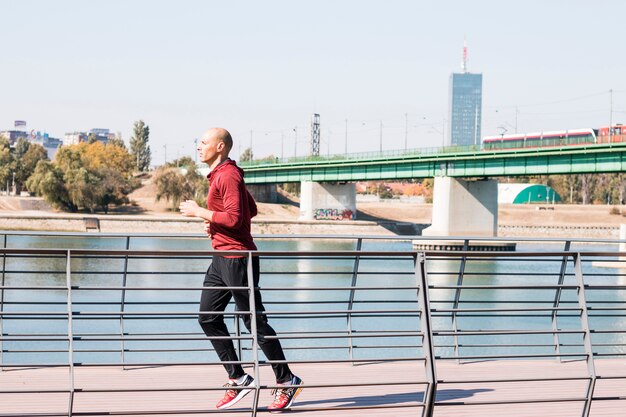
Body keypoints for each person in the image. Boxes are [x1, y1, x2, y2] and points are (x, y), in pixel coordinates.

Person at [179, 128, 302, 412]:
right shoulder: (224, 175)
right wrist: (215, 223)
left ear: (220, 147)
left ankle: (286, 380)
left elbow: (236, 218)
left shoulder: (229, 175)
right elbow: (251, 210)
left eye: (203, 142)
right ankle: (239, 377)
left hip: (238, 259)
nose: (198, 146)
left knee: (254, 323)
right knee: (208, 317)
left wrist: (202, 213)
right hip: (222, 257)